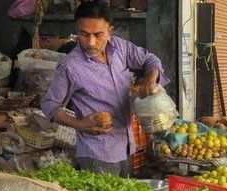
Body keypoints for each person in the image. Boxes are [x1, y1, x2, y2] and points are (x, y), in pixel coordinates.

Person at [41, 0, 168, 176]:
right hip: (97, 152)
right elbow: (49, 105)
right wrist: (80, 124)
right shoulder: (70, 66)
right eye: (84, 34)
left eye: (98, 34)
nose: (91, 42)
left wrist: (150, 78)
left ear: (110, 31)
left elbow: (150, 59)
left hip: (127, 145)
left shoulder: (120, 48)